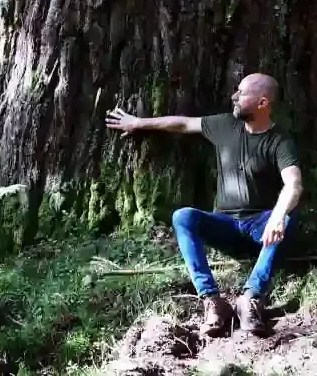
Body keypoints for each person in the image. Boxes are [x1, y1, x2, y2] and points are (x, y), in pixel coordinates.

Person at [106, 73, 303, 336]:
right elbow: (183, 124)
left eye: (242, 93)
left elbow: (293, 184)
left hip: (261, 229)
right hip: (225, 226)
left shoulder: (280, 140)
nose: (234, 97)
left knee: (287, 218)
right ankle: (212, 300)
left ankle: (251, 298)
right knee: (183, 216)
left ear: (262, 103)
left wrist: (277, 217)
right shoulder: (225, 125)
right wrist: (138, 123)